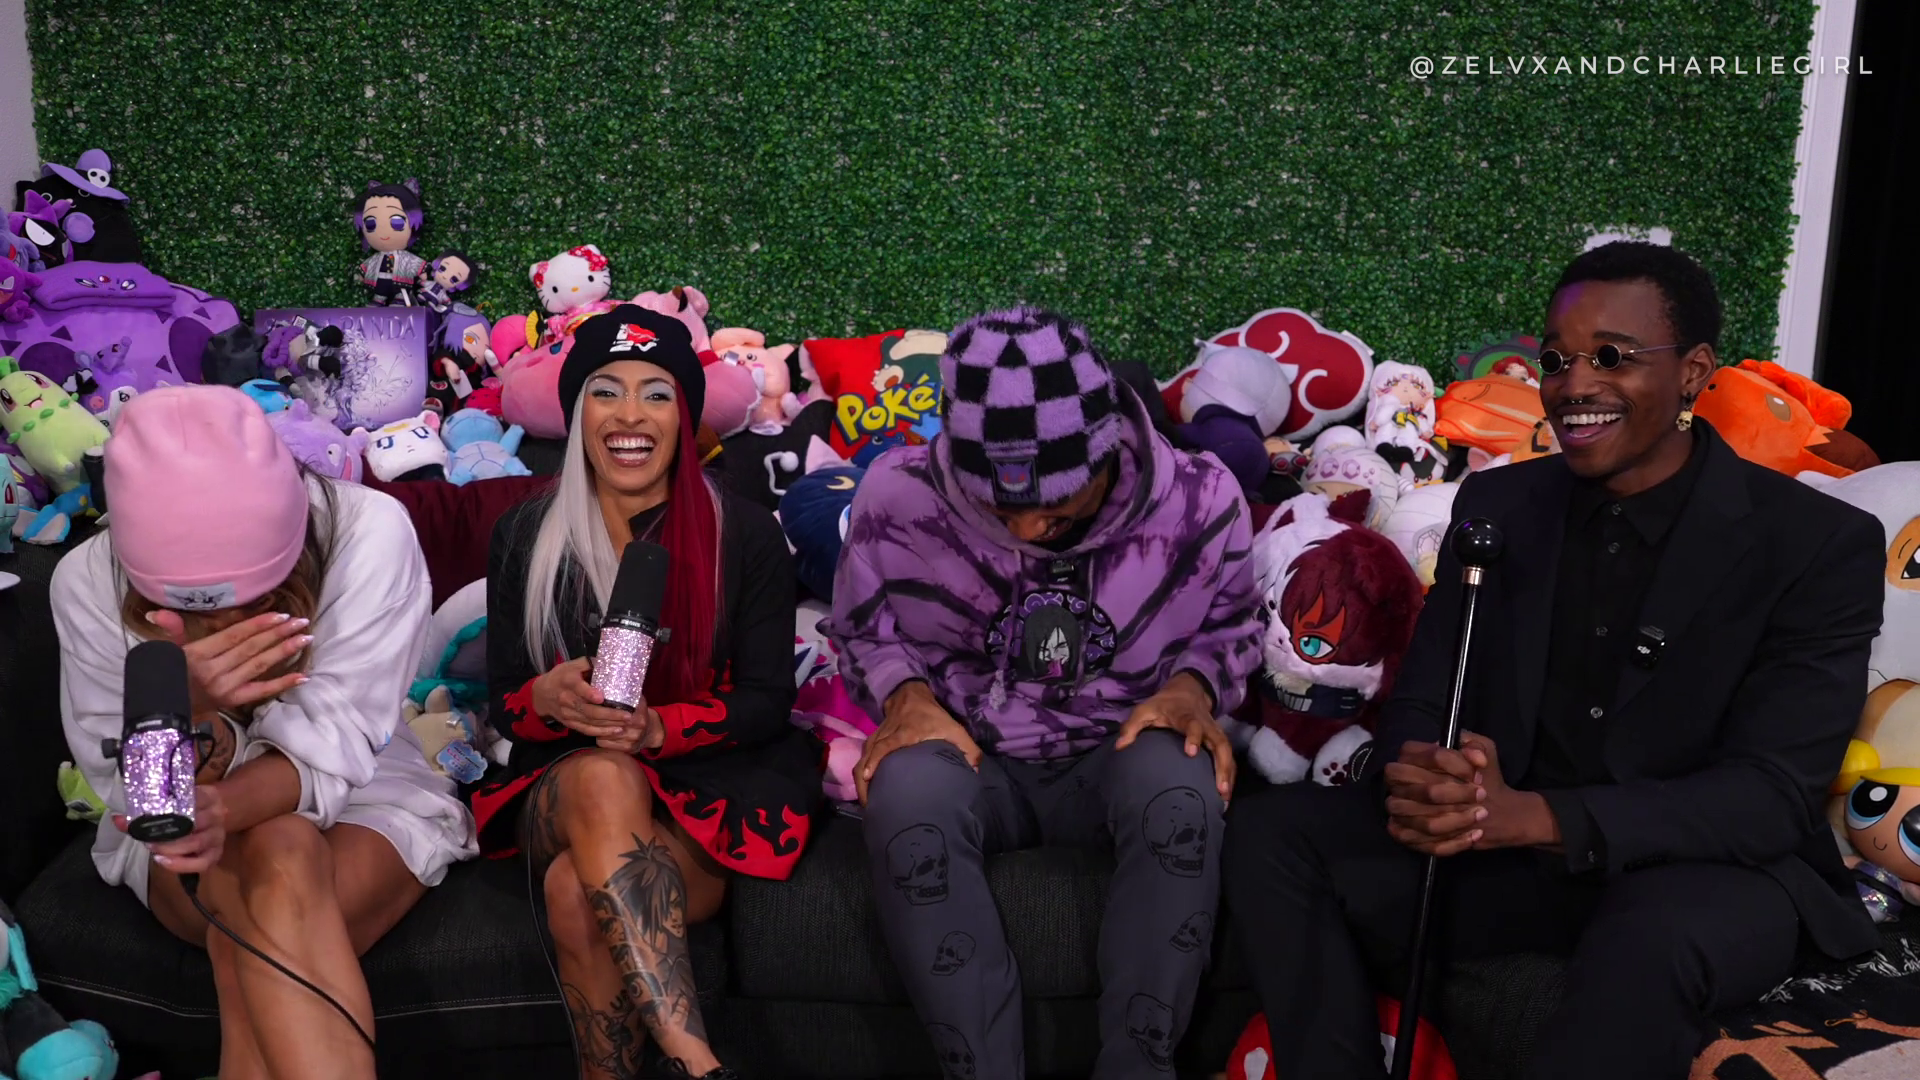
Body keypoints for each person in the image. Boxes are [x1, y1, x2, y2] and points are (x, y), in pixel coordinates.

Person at [1223, 241, 1888, 1080]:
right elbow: (1424, 697)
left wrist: (1537, 817)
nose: (1574, 384)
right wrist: (1426, 778)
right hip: (1511, 856)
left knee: (1650, 936)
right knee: (1275, 833)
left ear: (1692, 373)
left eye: (1612, 356)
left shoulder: (1814, 541)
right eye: (1556, 359)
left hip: (1705, 867)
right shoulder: (1501, 503)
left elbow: (1769, 797)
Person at [831, 307, 1262, 1079]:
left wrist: (1195, 687)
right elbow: (863, 628)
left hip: (1121, 745)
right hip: (970, 751)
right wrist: (904, 696)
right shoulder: (896, 494)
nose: (1028, 531)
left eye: (1056, 511)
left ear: (1109, 449)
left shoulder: (1202, 497)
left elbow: (1233, 625)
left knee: (1178, 786)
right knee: (906, 793)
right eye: (1001, 511)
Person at [52, 384, 477, 1080]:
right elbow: (138, 798)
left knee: (267, 874)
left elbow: (340, 739)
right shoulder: (83, 582)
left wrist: (222, 807)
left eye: (255, 596)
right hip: (176, 832)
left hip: (368, 795)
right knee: (273, 859)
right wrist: (185, 708)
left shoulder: (370, 532)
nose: (227, 623)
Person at [466, 306, 814, 1080]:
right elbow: (504, 702)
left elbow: (767, 700)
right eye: (606, 392)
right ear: (577, 413)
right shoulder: (524, 534)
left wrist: (661, 728)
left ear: (684, 416)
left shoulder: (747, 533)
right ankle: (696, 1060)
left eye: (655, 394)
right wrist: (547, 698)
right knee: (601, 775)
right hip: (565, 784)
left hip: (703, 793)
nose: (630, 415)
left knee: (573, 892)